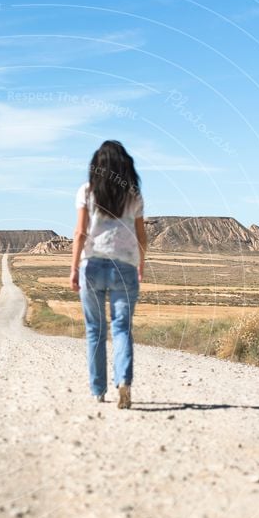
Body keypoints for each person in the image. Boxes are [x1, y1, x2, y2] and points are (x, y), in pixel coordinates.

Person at [70, 140, 147, 409]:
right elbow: (141, 237)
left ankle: (98, 390)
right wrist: (141, 263)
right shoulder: (134, 195)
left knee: (95, 330)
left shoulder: (87, 192)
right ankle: (123, 381)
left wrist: (73, 268)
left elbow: (80, 233)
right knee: (122, 328)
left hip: (92, 265)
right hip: (124, 267)